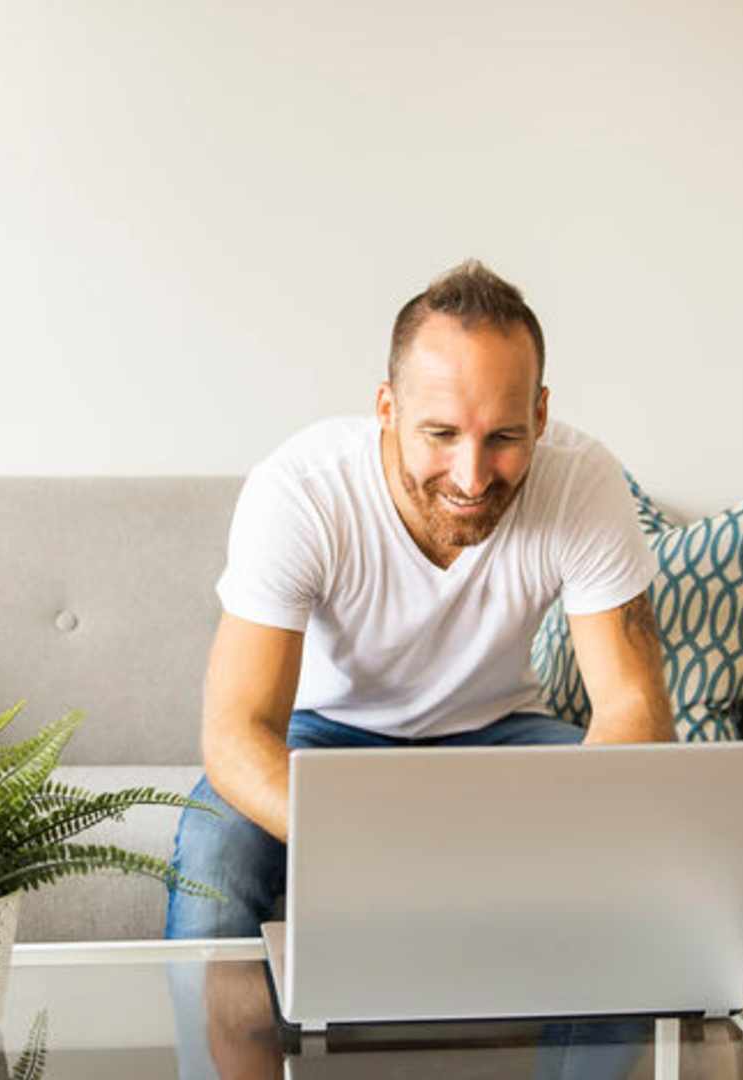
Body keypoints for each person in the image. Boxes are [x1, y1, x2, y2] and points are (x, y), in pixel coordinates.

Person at [164, 259, 675, 941]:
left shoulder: (583, 481)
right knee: (213, 857)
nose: (471, 476)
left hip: (497, 733)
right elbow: (235, 735)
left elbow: (634, 707)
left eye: (505, 437)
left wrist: (575, 831)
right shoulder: (302, 490)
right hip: (323, 736)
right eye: (441, 434)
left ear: (541, 415)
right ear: (387, 409)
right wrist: (382, 848)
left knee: (646, 848)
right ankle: (223, 1055)